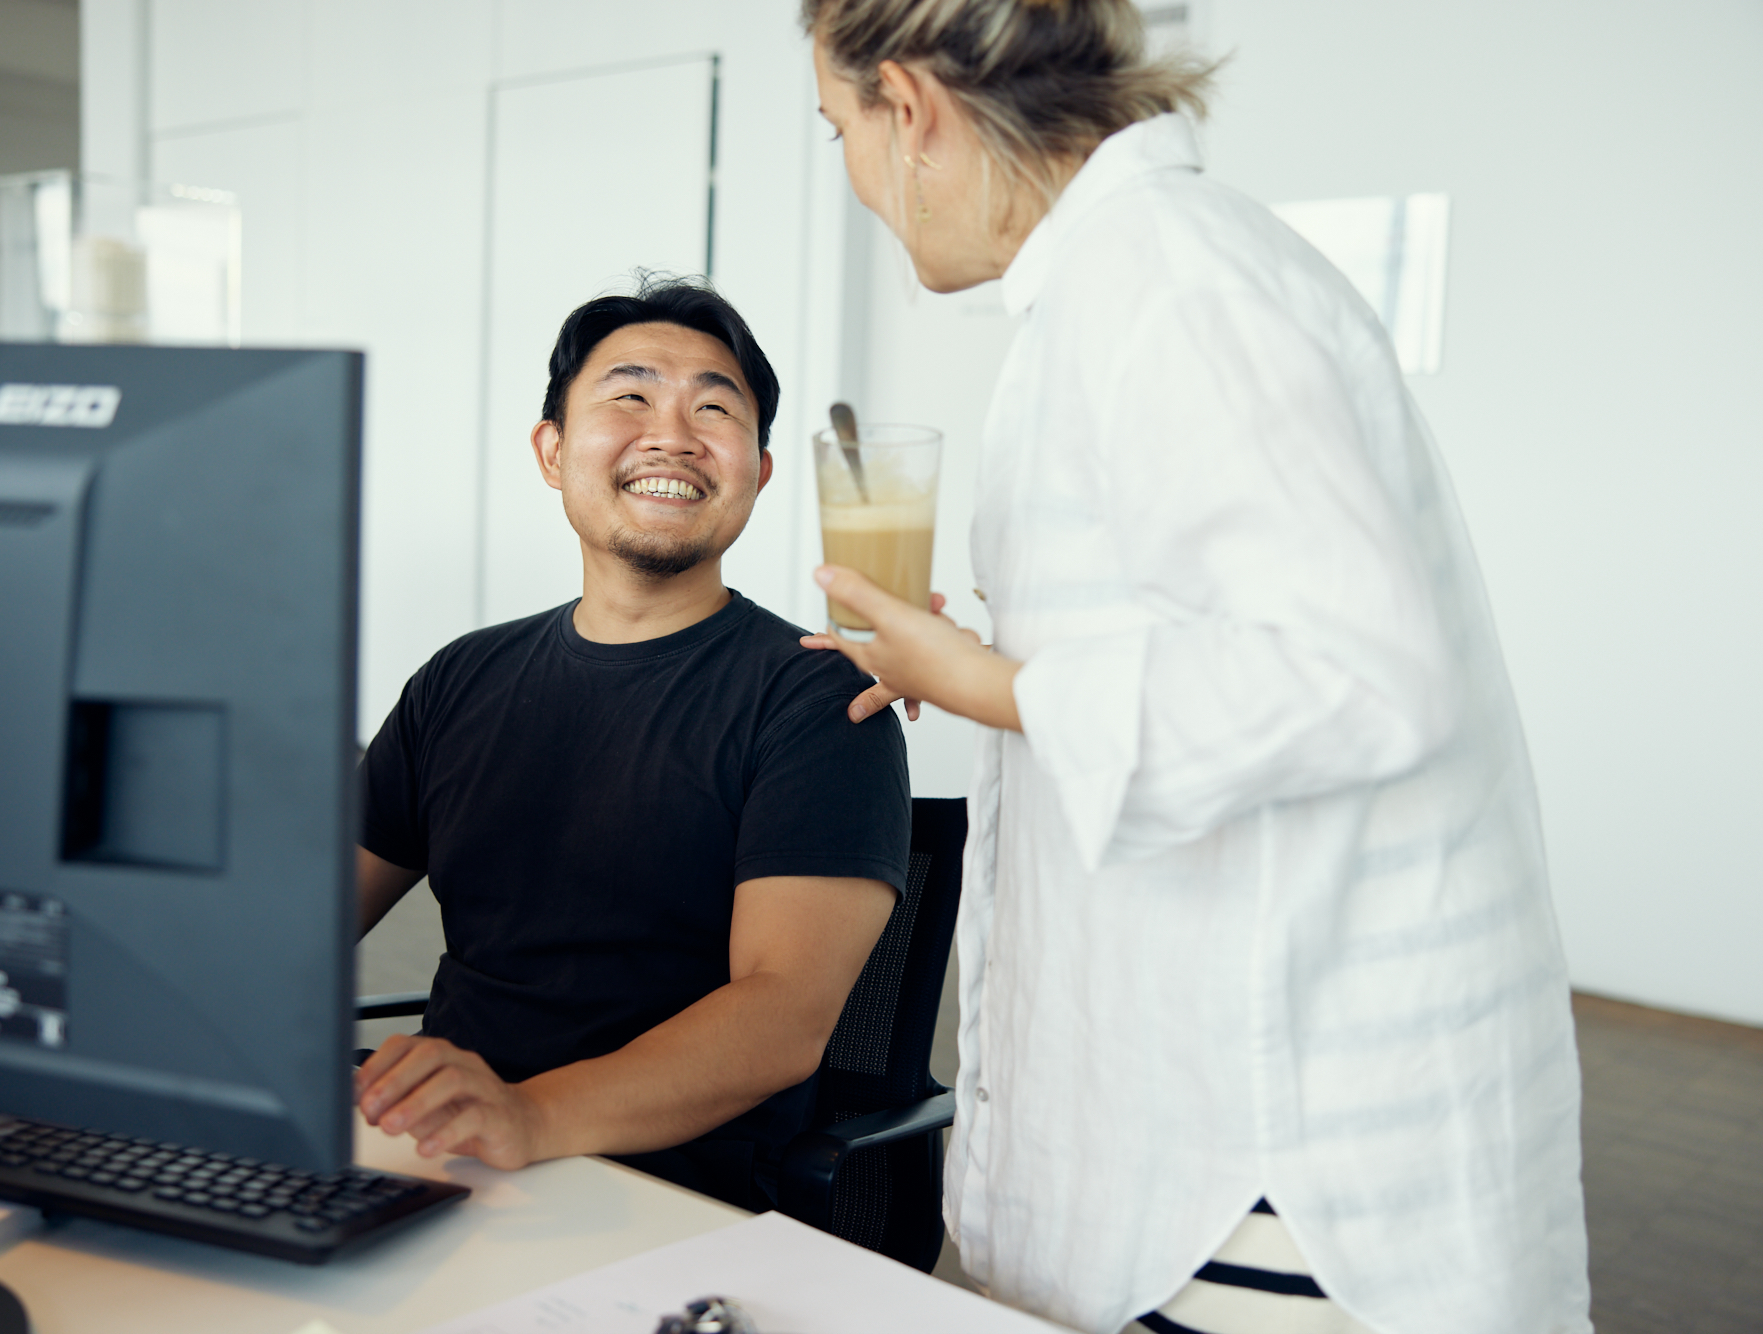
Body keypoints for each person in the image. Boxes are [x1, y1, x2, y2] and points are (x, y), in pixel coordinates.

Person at [797, 2, 1591, 1332]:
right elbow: (1216, 635)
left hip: (1277, 1160)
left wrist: (999, 684)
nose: (854, 174)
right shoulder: (1129, 277)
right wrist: (992, 660)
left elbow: (1353, 669)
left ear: (911, 108)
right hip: (1216, 1113)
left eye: (840, 130)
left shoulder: (1164, 279)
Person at [352, 275, 911, 1212]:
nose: (673, 435)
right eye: (630, 396)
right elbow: (297, 927)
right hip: (443, 1162)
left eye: (715, 408)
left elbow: (781, 1017)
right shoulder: (460, 680)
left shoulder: (817, 698)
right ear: (552, 450)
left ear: (760, 472)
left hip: (668, 1195)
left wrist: (528, 1116)